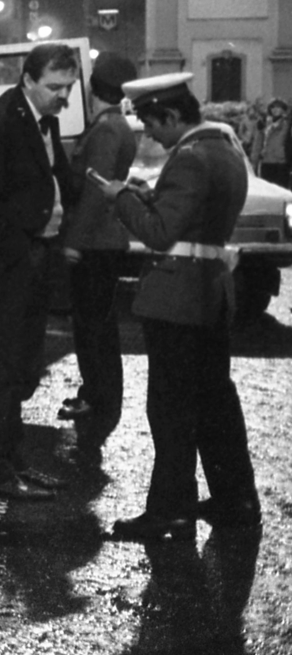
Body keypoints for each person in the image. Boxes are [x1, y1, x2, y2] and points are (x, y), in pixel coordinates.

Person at [90, 72, 260, 540]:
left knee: (171, 409)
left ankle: (170, 510)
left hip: (177, 297)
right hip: (210, 291)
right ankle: (235, 499)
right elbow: (191, 220)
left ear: (170, 115)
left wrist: (121, 197)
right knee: (215, 402)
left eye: (151, 123)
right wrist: (153, 199)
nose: (149, 133)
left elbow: (161, 234)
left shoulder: (189, 158)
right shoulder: (224, 150)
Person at [0, 42, 80, 500]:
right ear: (28, 79)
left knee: (22, 366)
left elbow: (52, 180)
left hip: (34, 258)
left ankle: (13, 462)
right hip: (11, 264)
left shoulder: (42, 119)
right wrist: (19, 252)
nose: (63, 95)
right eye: (55, 86)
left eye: (68, 86)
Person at [58, 52, 138, 438]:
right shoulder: (112, 124)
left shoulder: (106, 129)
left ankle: (99, 399)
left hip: (96, 240)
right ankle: (98, 395)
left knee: (94, 328)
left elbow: (95, 190)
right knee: (97, 326)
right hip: (103, 238)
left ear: (92, 87)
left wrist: (74, 242)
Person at [258, 99, 289, 186]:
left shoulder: (287, 124)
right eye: (273, 107)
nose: (275, 110)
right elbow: (258, 143)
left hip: (281, 162)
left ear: (283, 110)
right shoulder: (265, 124)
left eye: (278, 107)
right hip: (266, 160)